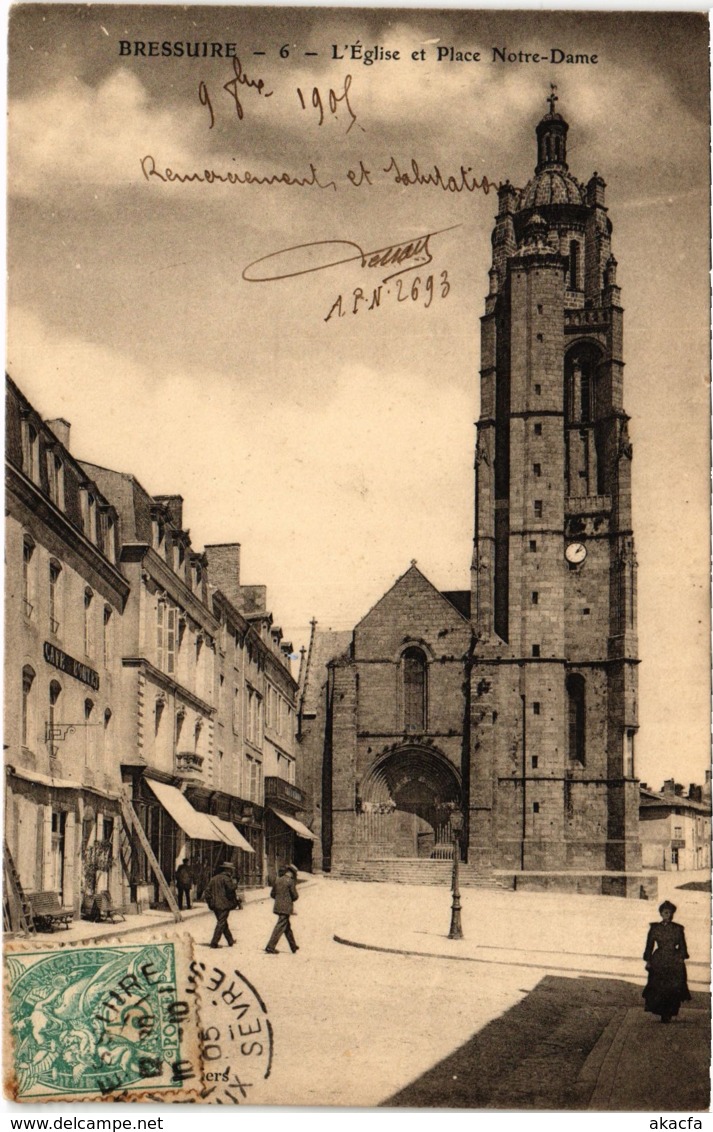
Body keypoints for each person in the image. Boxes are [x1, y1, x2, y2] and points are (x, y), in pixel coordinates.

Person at [642, 900, 691, 1022]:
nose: (666, 914)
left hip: (673, 961)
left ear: (672, 914)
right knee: (658, 986)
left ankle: (668, 1013)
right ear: (661, 913)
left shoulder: (678, 929)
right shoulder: (654, 928)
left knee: (672, 987)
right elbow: (649, 946)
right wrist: (648, 960)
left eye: (669, 912)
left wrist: (680, 958)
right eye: (664, 912)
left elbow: (682, 946)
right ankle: (661, 1012)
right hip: (658, 960)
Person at [203, 861, 242, 949]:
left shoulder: (214, 878)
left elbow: (207, 892)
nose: (232, 872)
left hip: (215, 905)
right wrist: (236, 883)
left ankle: (230, 940)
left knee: (223, 922)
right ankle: (214, 942)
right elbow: (231, 889)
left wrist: (210, 902)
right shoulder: (226, 879)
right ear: (228, 870)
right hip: (224, 905)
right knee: (221, 923)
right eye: (231, 870)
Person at [265, 864, 299, 954]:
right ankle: (270, 946)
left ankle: (293, 946)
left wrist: (279, 900)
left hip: (278, 907)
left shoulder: (278, 880)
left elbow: (272, 894)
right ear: (292, 873)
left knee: (287, 927)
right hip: (286, 908)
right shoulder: (290, 882)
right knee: (280, 927)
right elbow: (295, 896)